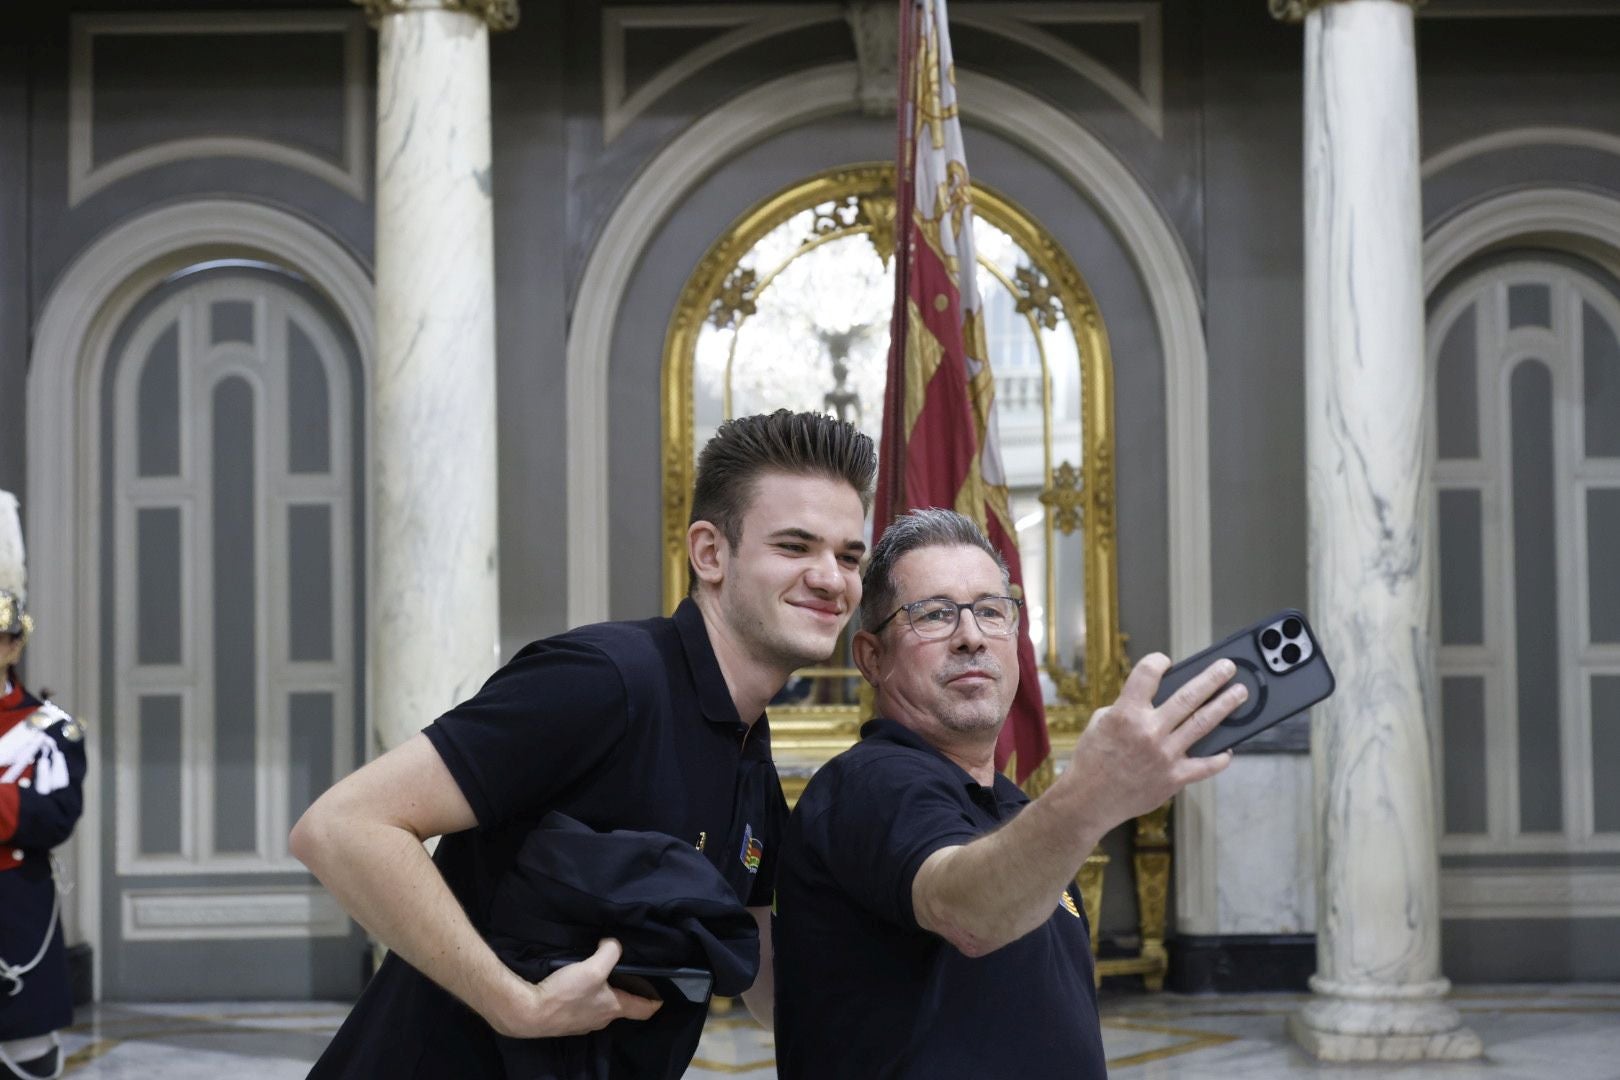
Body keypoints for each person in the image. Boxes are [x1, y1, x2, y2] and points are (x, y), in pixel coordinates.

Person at [290, 410, 875, 1077]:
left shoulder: (748, 752)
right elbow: (341, 827)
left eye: (849, 556)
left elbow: (773, 985)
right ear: (711, 553)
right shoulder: (606, 680)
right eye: (796, 547)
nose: (832, 578)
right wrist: (514, 1004)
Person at [773, 508, 1248, 1078]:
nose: (971, 637)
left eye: (992, 613)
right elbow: (966, 910)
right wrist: (1095, 793)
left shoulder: (1014, 808)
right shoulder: (866, 785)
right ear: (873, 658)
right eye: (934, 614)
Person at [0, 587, 87, 1080]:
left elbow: (57, 814)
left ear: (14, 646)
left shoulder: (50, 730)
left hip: (15, 904)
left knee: (27, 1051)